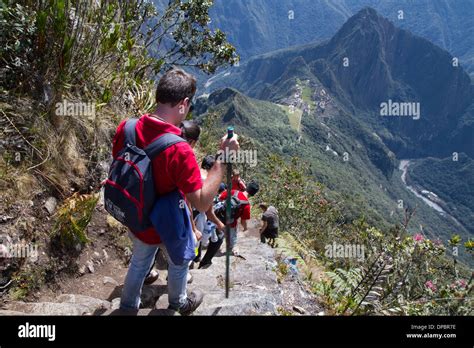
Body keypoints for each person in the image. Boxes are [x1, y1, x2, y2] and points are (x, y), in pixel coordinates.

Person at [113, 68, 239, 315]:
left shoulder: (126, 127)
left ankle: (127, 308)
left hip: (136, 215)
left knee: (139, 262)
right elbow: (202, 202)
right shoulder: (180, 150)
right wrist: (224, 157)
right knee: (180, 261)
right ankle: (178, 303)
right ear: (183, 104)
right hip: (167, 220)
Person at [200, 181, 259, 267]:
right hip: (230, 223)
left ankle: (204, 247)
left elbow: (220, 197)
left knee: (210, 232)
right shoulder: (246, 205)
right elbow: (243, 221)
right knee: (232, 235)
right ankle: (232, 248)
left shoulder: (234, 192)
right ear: (253, 194)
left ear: (247, 188)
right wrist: (245, 228)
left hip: (217, 216)